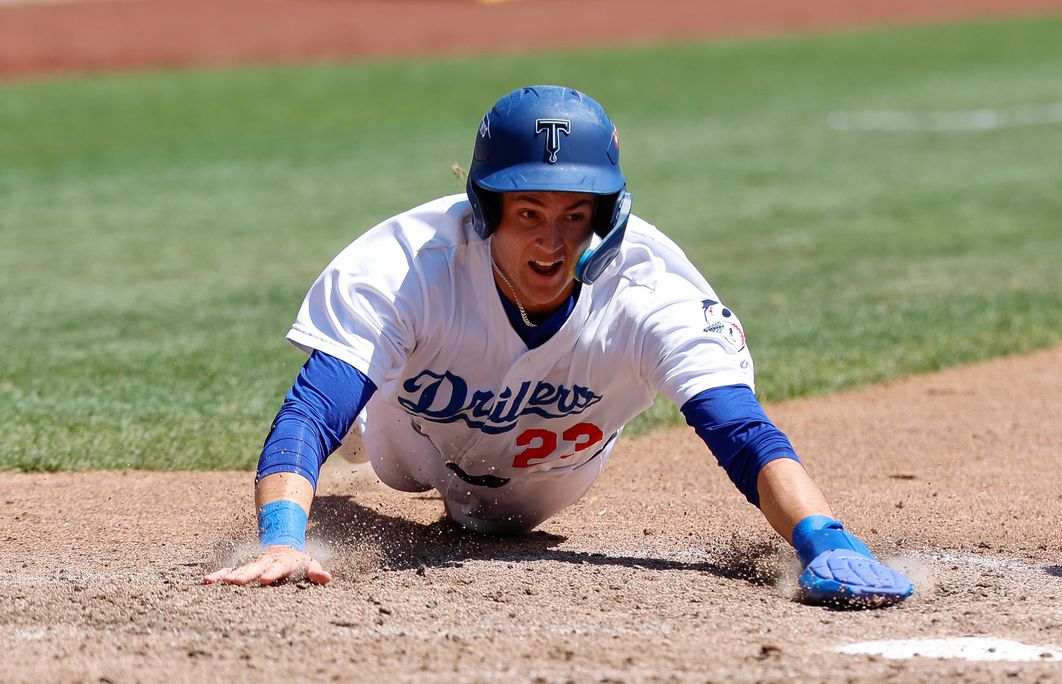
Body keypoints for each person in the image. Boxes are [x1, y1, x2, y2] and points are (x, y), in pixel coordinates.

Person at [203, 85, 913, 607]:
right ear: (484, 209)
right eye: (529, 212)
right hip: (407, 434)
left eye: (575, 214)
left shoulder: (651, 292)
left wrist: (825, 538)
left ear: (606, 215)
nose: (552, 240)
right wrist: (281, 538)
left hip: (553, 466)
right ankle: (365, 434)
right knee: (366, 438)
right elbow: (307, 411)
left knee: (497, 523)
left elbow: (742, 432)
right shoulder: (407, 265)